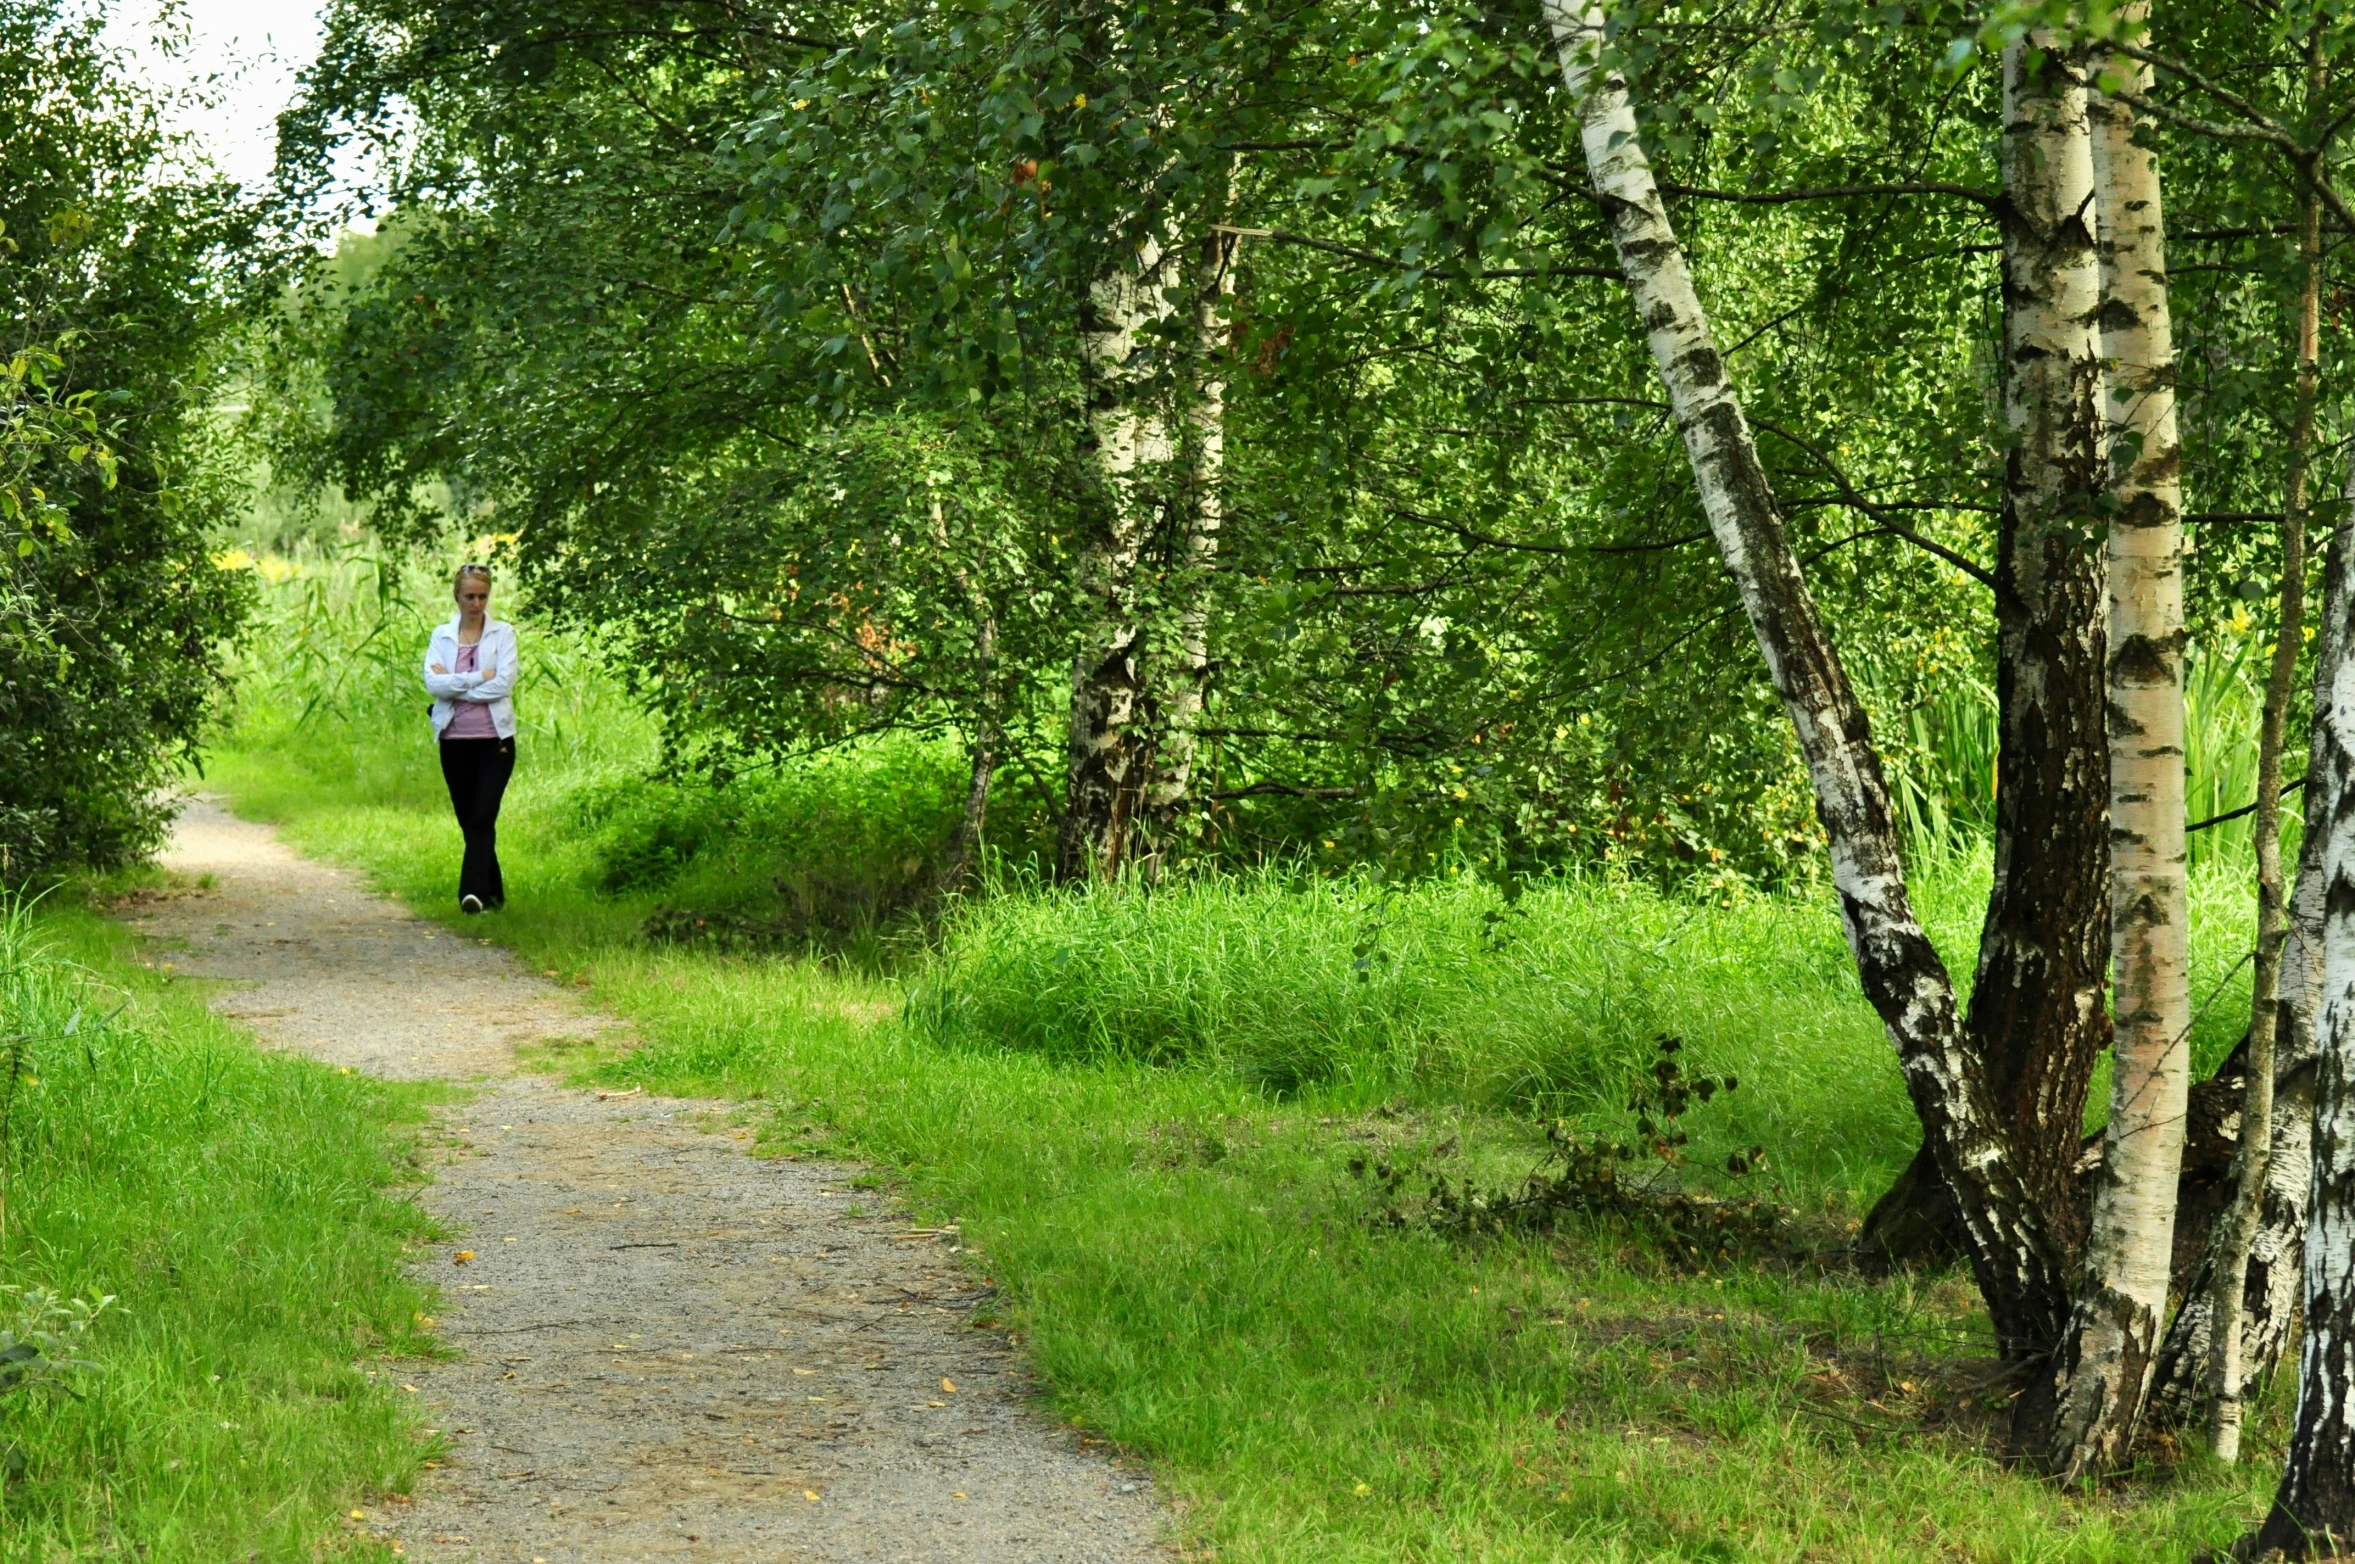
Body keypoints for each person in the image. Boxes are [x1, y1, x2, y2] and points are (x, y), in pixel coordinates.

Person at [423, 563, 518, 913]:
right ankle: (494, 895)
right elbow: (432, 684)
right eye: (470, 596)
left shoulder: (503, 633)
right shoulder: (442, 635)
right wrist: (479, 677)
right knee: (470, 821)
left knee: (482, 816)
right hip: (454, 740)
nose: (477, 603)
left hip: (495, 741)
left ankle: (471, 894)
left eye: (483, 596)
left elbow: (503, 684)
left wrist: (455, 684)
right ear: (457, 597)